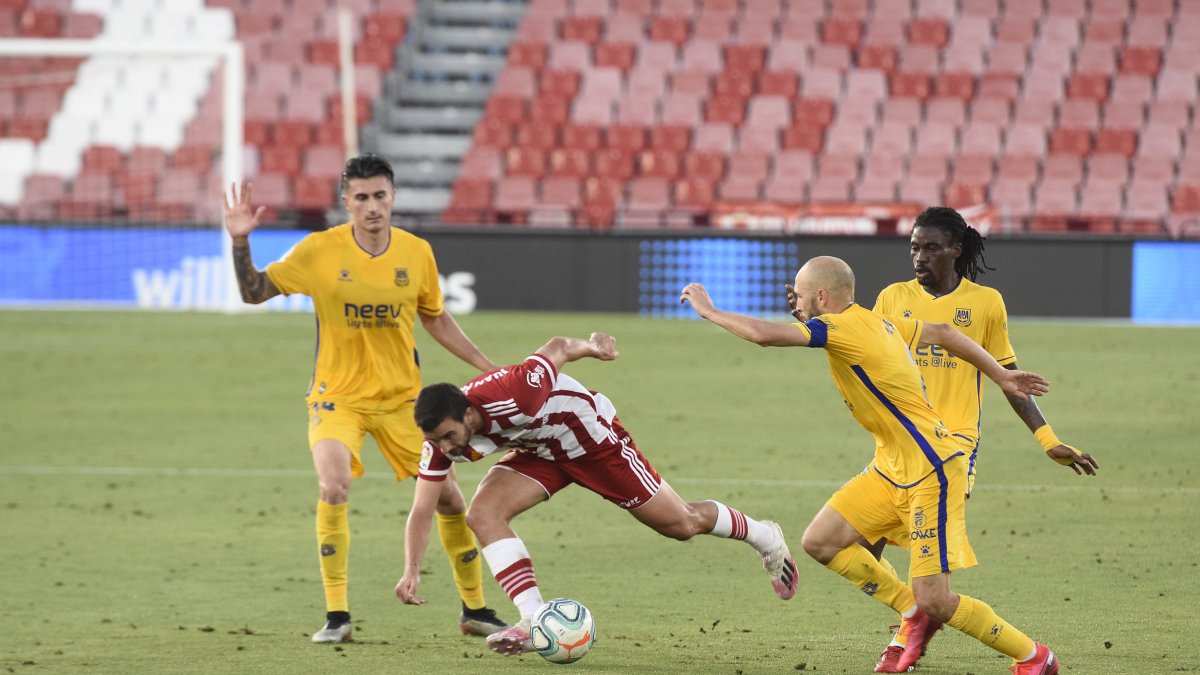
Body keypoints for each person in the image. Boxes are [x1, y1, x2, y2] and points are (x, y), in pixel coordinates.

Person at [682, 256, 1081, 675]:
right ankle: (912, 613)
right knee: (821, 540)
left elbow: (764, 335)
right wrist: (1000, 375)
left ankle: (1033, 656)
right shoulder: (881, 321)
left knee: (937, 599)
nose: (793, 301)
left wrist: (709, 311)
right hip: (891, 467)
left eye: (799, 294)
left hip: (932, 469)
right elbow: (944, 333)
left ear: (822, 296)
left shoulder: (839, 327)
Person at [221, 154, 509, 643]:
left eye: (380, 196)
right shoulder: (318, 251)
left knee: (450, 500)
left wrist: (485, 366)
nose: (372, 206)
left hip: (403, 402)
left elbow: (435, 318)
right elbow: (253, 292)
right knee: (333, 486)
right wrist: (240, 240)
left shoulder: (416, 253)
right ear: (345, 203)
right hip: (338, 397)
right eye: (361, 198)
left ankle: (475, 609)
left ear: (393, 197)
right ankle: (337, 616)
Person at [396, 332, 798, 656]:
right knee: (482, 515)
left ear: (467, 414)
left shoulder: (515, 393)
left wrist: (592, 346)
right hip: (540, 452)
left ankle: (766, 537)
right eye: (437, 440)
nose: (446, 448)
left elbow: (556, 347)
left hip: (591, 440)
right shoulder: (438, 443)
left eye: (449, 436)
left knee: (681, 524)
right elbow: (421, 509)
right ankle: (533, 619)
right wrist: (412, 568)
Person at [856, 206, 1100, 672]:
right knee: (859, 550)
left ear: (955, 249)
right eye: (913, 247)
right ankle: (915, 621)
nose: (919, 257)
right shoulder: (891, 298)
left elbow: (1011, 380)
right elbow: (857, 345)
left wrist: (1048, 439)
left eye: (930, 247)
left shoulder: (985, 304)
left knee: (925, 578)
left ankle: (924, 631)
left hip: (950, 451)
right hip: (898, 448)